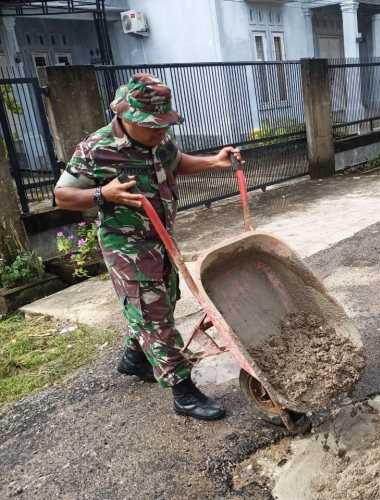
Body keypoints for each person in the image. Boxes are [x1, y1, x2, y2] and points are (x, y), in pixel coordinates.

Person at [54, 73, 242, 421]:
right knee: (153, 313)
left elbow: (176, 161)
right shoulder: (96, 148)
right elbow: (62, 195)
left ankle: (135, 357)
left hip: (160, 239)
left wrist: (214, 162)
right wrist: (101, 194)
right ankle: (183, 392)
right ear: (125, 117)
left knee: (164, 301)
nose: (159, 131)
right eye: (151, 124)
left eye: (163, 123)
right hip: (126, 246)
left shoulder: (158, 139)